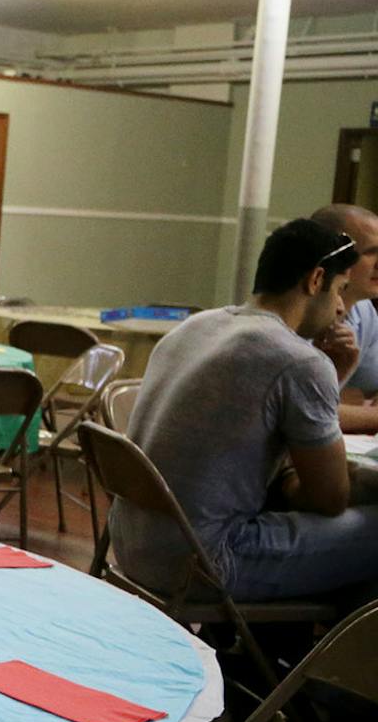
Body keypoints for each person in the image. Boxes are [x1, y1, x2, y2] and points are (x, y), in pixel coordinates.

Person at [121, 218, 378, 603]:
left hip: (135, 546)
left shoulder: (197, 327)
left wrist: (333, 378)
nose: (341, 308)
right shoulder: (298, 360)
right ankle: (324, 658)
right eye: (340, 290)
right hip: (207, 563)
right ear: (315, 280)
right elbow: (330, 498)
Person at [310, 203, 378, 433]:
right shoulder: (301, 317)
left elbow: (367, 390)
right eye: (370, 252)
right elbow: (306, 410)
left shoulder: (363, 309)